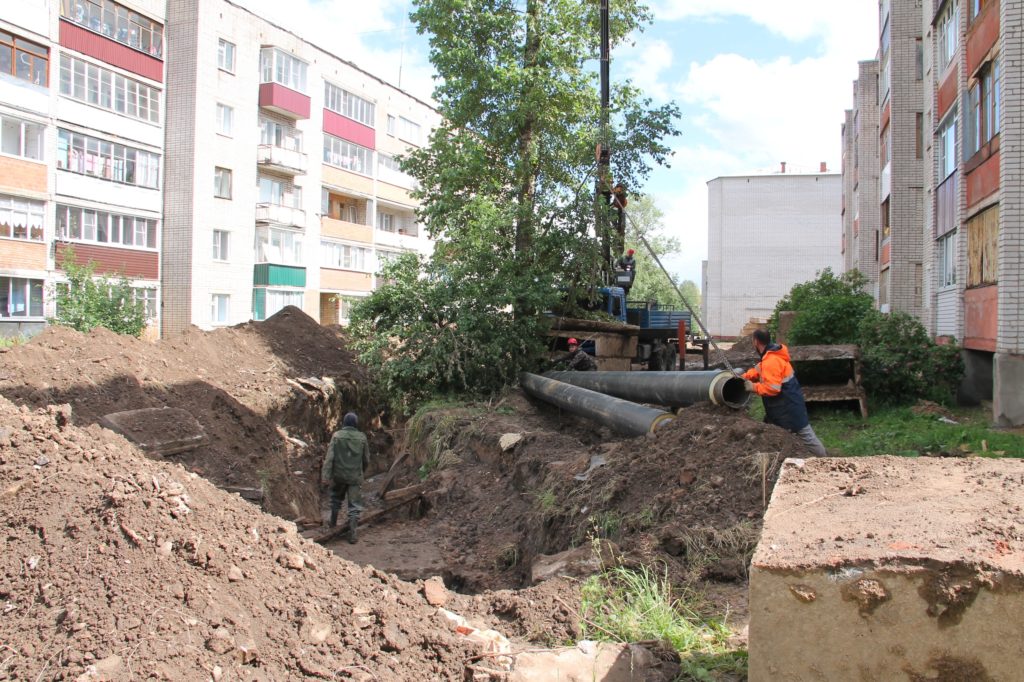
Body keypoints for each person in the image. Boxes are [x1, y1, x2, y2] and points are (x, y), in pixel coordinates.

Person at [742, 329, 827, 456]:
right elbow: (758, 370)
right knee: (767, 432)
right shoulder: (769, 356)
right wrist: (743, 377)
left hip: (788, 408)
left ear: (756, 341)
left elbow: (773, 388)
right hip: (782, 407)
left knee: (806, 436)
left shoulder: (771, 361)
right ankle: (770, 459)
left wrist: (753, 387)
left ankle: (825, 461)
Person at [321, 412, 371, 543]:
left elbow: (329, 459)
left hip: (339, 476)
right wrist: (361, 472)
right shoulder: (362, 437)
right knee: (354, 506)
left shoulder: (337, 436)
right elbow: (366, 459)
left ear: (344, 423)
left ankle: (332, 524)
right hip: (355, 476)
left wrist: (325, 476)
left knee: (335, 500)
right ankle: (353, 534)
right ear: (356, 423)